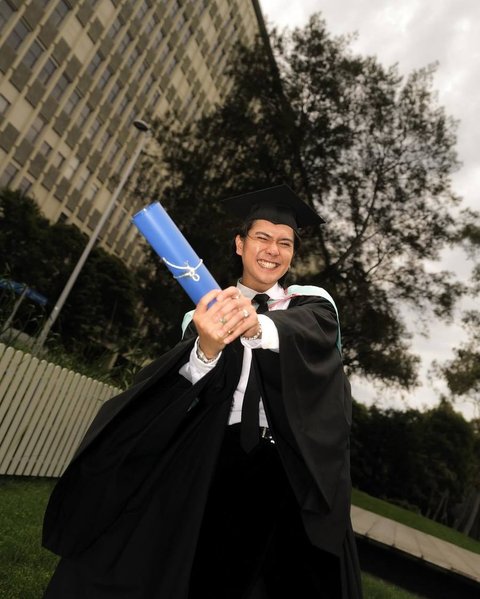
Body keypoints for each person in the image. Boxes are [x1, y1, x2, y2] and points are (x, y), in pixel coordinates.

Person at [42, 185, 363, 599]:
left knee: (269, 576)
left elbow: (311, 338)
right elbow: (190, 385)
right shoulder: (202, 311)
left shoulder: (311, 306)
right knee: (193, 565)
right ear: (239, 244)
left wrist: (256, 324)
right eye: (262, 237)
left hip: (286, 464)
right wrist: (207, 347)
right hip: (215, 453)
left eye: (285, 242)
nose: (273, 249)